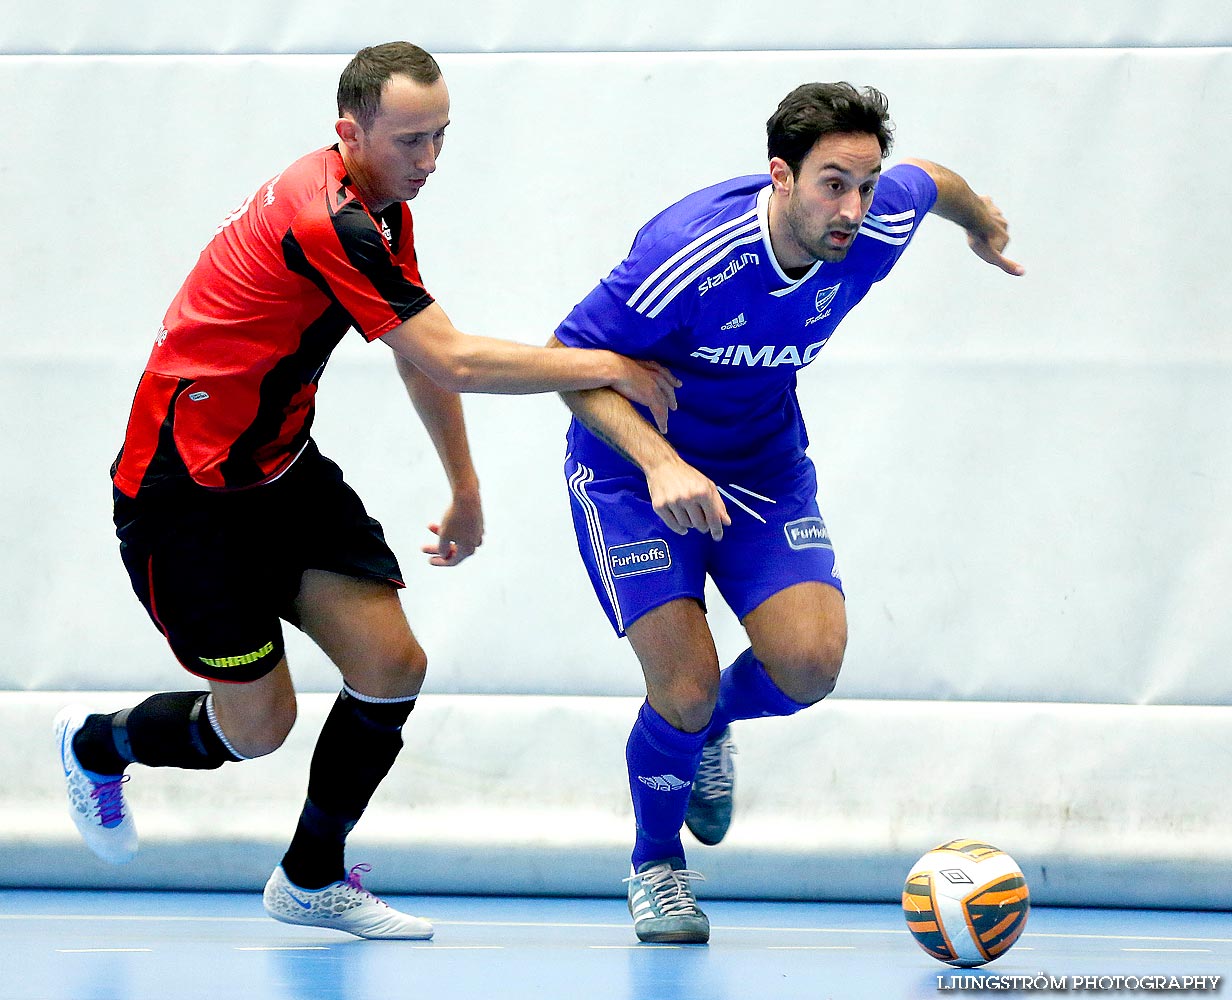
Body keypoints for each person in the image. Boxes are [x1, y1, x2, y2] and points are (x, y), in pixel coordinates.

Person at [54, 41, 679, 941]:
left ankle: (310, 880)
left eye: (441, 138)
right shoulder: (329, 219)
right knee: (257, 728)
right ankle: (97, 743)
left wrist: (463, 487)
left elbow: (419, 350)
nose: (428, 162)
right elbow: (456, 359)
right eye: (409, 141)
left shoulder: (380, 207)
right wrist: (607, 363)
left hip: (280, 470)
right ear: (349, 132)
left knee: (391, 666)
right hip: (182, 495)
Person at [548, 81, 1023, 943]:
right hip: (631, 472)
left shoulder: (878, 217)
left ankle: (709, 734)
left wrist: (981, 222)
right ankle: (656, 864)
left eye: (866, 182)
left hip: (761, 467)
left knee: (808, 666)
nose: (854, 206)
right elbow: (563, 360)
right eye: (833, 183)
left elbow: (932, 181)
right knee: (682, 690)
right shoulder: (690, 250)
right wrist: (658, 462)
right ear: (782, 176)